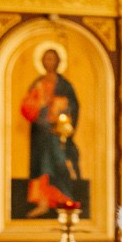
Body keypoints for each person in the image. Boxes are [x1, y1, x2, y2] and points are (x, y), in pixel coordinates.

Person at [20, 46, 84, 216]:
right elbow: (28, 106)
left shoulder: (65, 85)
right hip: (41, 132)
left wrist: (61, 106)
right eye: (46, 59)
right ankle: (42, 202)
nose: (49, 62)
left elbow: (74, 106)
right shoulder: (38, 84)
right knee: (41, 166)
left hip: (57, 133)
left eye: (52, 58)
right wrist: (40, 104)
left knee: (59, 163)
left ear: (58, 61)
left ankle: (65, 201)